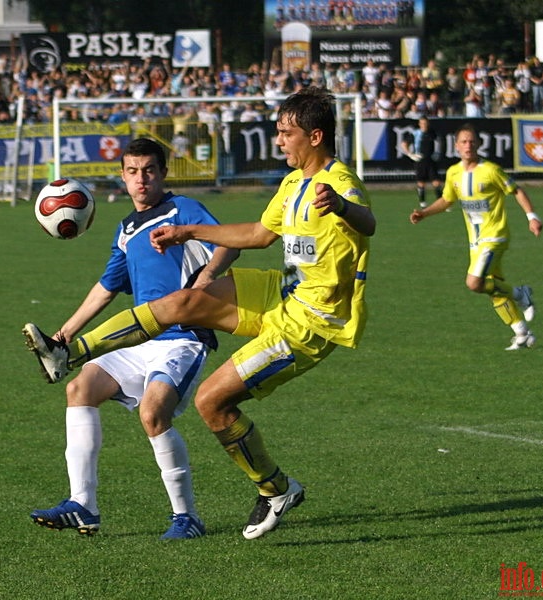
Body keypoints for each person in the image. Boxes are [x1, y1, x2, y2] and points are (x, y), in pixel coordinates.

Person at [24, 86, 376, 539]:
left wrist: (344, 206)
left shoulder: (340, 181)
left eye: (286, 133)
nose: (279, 141)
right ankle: (66, 353)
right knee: (180, 303)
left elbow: (369, 221)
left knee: (212, 402)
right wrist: (188, 232)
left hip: (310, 320)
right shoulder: (293, 184)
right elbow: (255, 233)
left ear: (315, 135)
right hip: (281, 291)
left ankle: (275, 488)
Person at [29, 138, 236, 540]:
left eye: (149, 171)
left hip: (184, 337)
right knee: (80, 387)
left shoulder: (184, 210)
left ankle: (186, 517)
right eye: (132, 171)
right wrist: (64, 334)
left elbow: (228, 242)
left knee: (152, 414)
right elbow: (106, 287)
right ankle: (83, 506)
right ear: (123, 176)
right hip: (141, 341)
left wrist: (207, 278)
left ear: (163, 173)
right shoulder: (126, 229)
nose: (141, 179)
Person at [409, 123, 542, 351]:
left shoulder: (490, 170)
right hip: (475, 242)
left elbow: (516, 190)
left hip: (495, 237)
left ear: (479, 144)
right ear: (456, 146)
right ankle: (522, 333)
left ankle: (521, 294)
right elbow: (447, 200)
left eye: (472, 141)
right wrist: (425, 213)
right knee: (492, 288)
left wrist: (531, 216)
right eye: (463, 142)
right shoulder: (454, 173)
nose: (468, 145)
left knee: (473, 283)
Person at [401, 116, 442, 208]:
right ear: (419, 124)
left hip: (431, 160)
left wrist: (437, 153)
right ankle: (422, 201)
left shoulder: (432, 133)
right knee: (421, 182)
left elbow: (438, 143)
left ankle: (440, 202)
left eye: (425, 123)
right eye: (422, 123)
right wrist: (410, 154)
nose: (424, 125)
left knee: (436, 182)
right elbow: (404, 143)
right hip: (420, 161)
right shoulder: (416, 134)